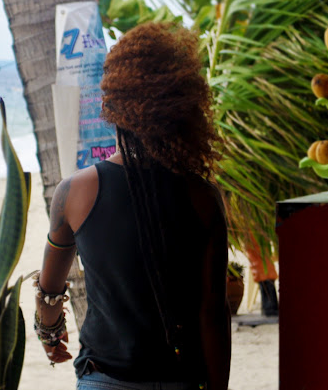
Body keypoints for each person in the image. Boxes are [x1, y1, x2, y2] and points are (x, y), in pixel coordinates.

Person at [33, 23, 231, 390]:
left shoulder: (75, 192)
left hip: (104, 380)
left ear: (110, 105)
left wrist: (50, 332)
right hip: (180, 379)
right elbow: (212, 314)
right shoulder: (202, 197)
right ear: (184, 107)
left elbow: (49, 288)